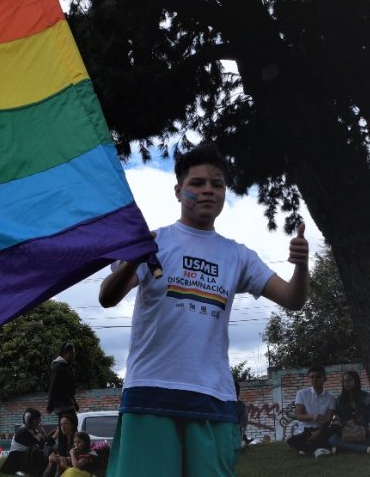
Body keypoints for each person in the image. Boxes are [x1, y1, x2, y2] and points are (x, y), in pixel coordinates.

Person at [99, 143, 310, 477]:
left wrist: (301, 266)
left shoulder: (238, 255)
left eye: (217, 184)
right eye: (197, 183)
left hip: (212, 399)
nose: (208, 190)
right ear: (178, 190)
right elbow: (107, 297)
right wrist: (131, 262)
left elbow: (293, 300)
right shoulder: (154, 241)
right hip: (150, 393)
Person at [286, 366, 338, 458]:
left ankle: (306, 449)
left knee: (335, 427)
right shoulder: (302, 394)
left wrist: (319, 431)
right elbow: (299, 416)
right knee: (290, 440)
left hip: (322, 429)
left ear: (324, 379)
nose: (314, 379)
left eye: (318, 377)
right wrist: (313, 416)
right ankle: (317, 450)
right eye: (312, 377)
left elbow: (328, 419)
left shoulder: (331, 397)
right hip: (306, 431)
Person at [327, 370, 370, 455]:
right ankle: (366, 449)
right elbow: (338, 418)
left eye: (349, 380)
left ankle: (342, 449)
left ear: (356, 381)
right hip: (348, 432)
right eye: (344, 381)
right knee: (332, 439)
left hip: (364, 430)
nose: (347, 383)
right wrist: (344, 422)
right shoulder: (339, 400)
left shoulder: (366, 397)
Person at [0, 408, 49, 475]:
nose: (38, 422)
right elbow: (40, 445)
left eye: (39, 419)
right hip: (18, 457)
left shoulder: (33, 430)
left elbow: (45, 443)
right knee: (37, 452)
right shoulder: (22, 432)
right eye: (36, 420)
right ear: (29, 420)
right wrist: (42, 433)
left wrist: (43, 433)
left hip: (26, 455)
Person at [47, 343, 79, 427]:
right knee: (68, 425)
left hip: (68, 402)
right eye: (71, 353)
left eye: (73, 353)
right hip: (62, 403)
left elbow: (69, 389)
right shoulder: (59, 367)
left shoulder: (68, 366)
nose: (73, 355)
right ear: (64, 353)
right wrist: (50, 405)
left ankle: (68, 440)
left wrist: (75, 403)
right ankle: (65, 440)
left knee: (69, 426)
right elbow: (54, 386)